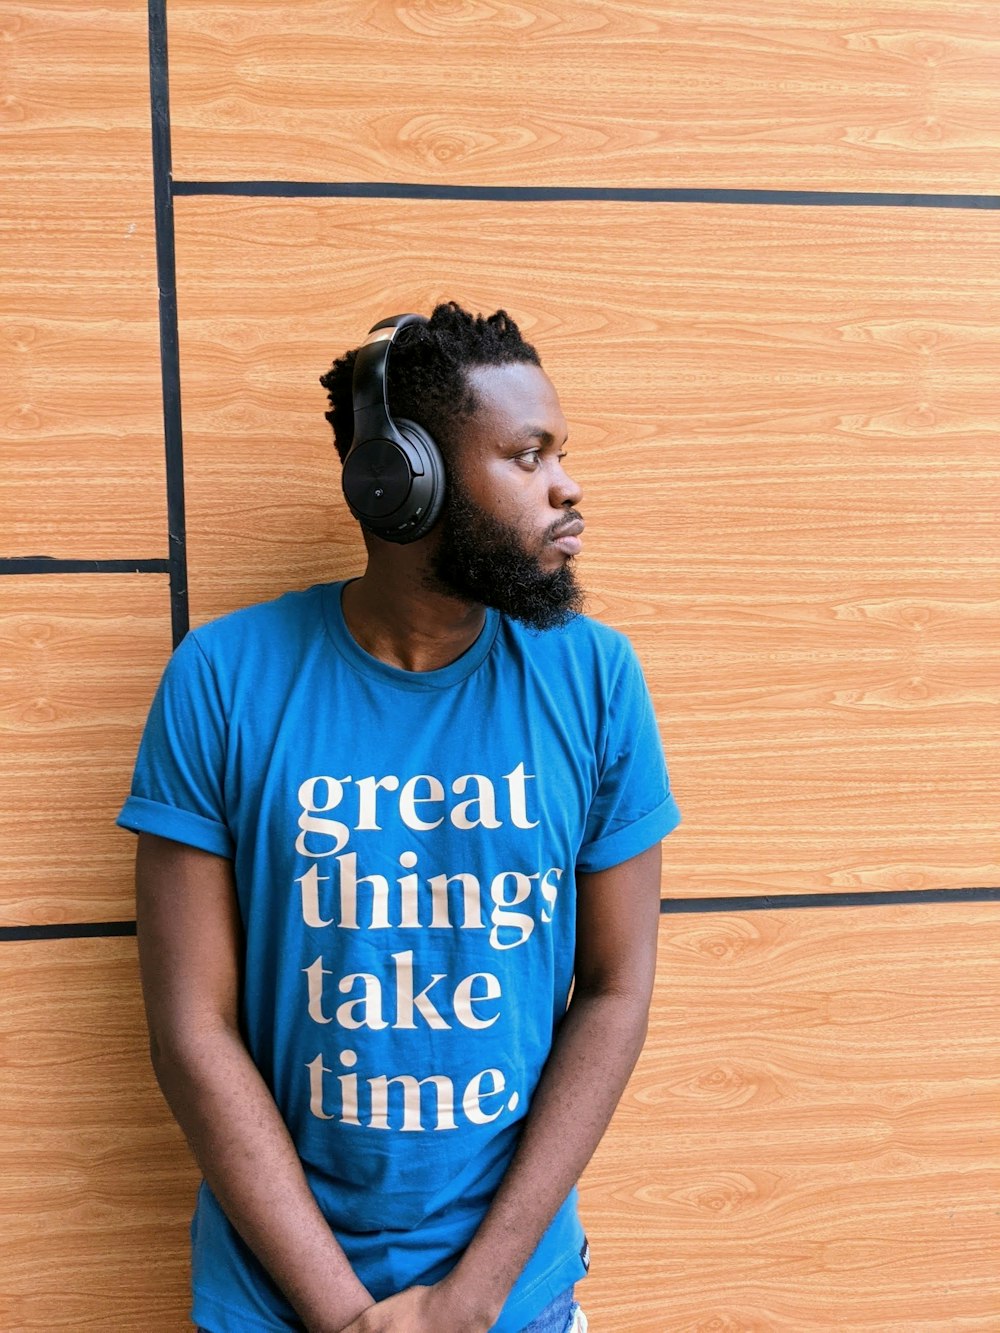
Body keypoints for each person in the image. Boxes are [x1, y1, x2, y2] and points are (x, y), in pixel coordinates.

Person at [118, 301, 682, 1333]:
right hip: (273, 1299)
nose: (567, 485)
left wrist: (469, 1302)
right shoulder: (222, 679)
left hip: (512, 1297)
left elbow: (615, 990)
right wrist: (342, 1315)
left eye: (559, 452)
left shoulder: (594, 678)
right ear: (402, 481)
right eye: (526, 455)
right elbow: (190, 1028)